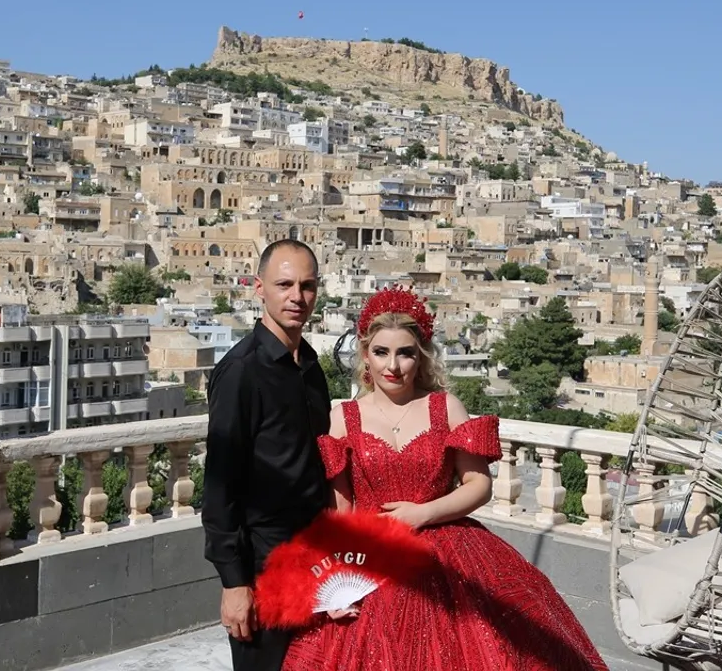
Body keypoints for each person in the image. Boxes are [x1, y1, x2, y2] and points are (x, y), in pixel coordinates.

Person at [280, 286, 609, 671]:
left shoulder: (445, 408)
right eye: (381, 352)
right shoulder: (344, 418)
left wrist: (422, 514)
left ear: (421, 358)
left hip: (451, 548)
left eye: (405, 353)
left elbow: (479, 484)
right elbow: (341, 510)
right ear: (365, 356)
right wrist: (334, 583)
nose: (393, 366)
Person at [203, 238, 332, 671]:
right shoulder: (241, 372)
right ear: (260, 288)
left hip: (316, 562)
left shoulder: (311, 368)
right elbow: (220, 484)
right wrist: (234, 583)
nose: (297, 297)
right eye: (285, 284)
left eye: (308, 285)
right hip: (264, 568)